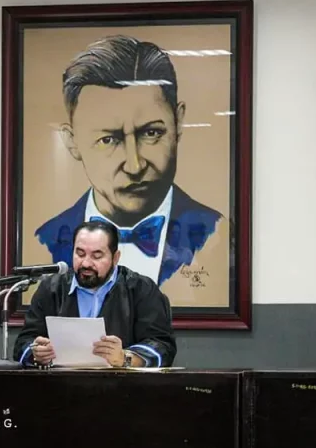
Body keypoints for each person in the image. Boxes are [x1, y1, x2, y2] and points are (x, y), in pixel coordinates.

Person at [34, 35, 225, 287]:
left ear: (178, 123)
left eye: (151, 133)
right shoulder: (44, 241)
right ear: (71, 142)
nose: (135, 166)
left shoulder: (220, 236)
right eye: (108, 140)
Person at [14, 220, 177, 368]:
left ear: (115, 258)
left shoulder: (141, 289)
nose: (86, 263)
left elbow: (162, 347)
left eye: (97, 256)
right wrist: (36, 353)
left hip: (124, 391)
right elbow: (23, 343)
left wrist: (124, 358)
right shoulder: (51, 289)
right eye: (80, 253)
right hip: (62, 389)